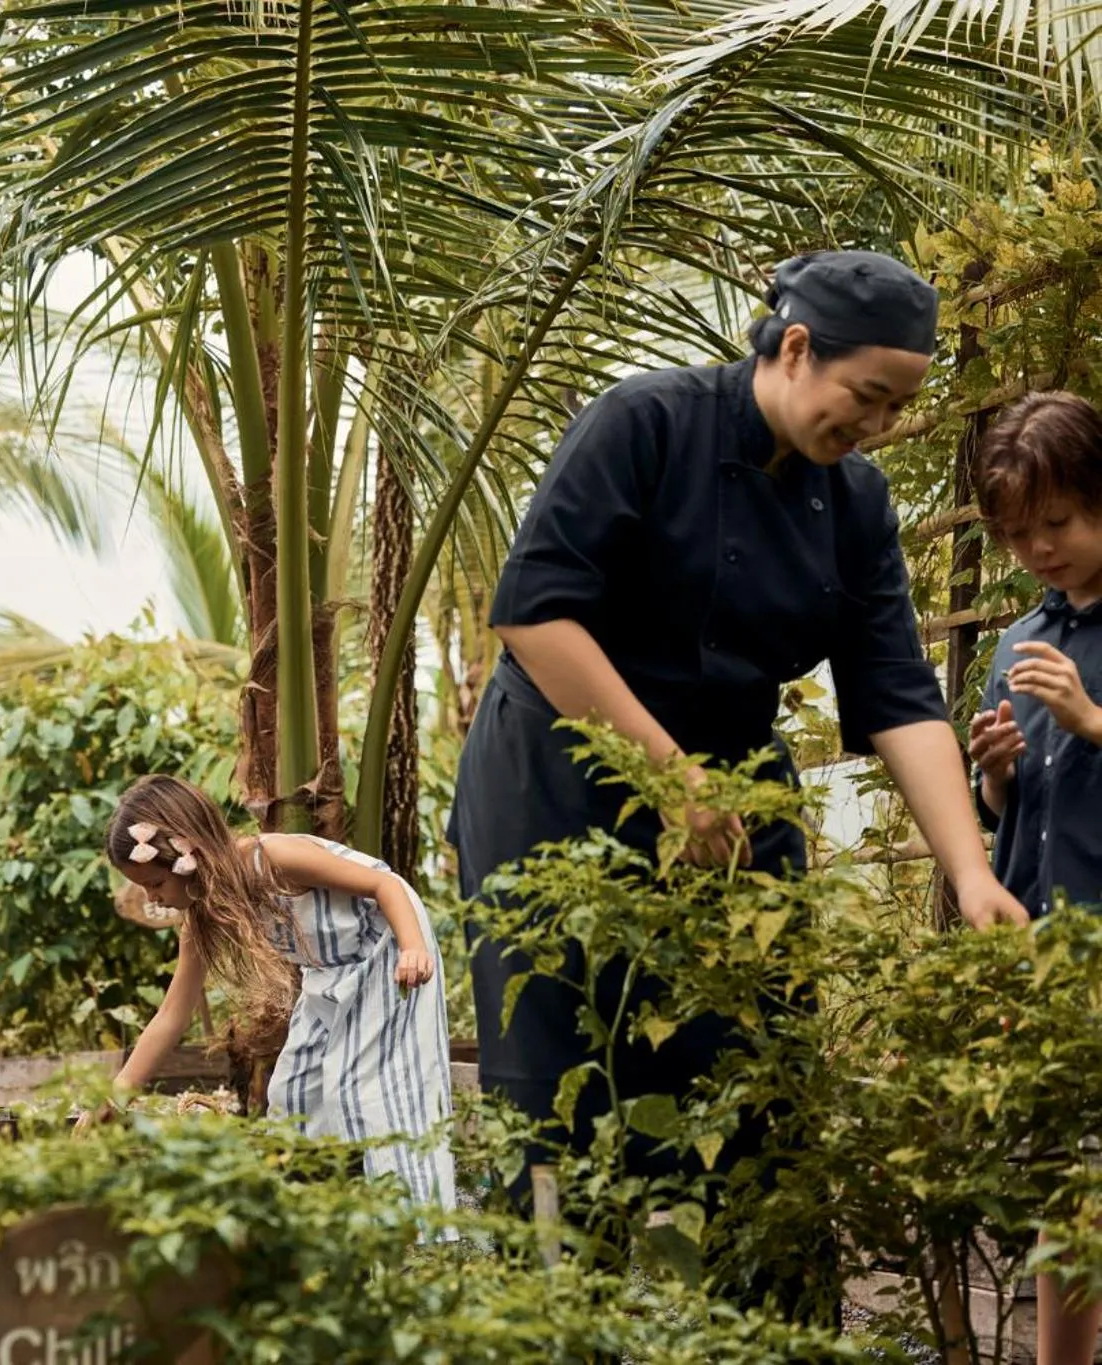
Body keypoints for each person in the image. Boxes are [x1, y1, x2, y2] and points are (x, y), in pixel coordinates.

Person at [446, 250, 1031, 1305]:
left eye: (898, 408)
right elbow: (532, 611)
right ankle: (559, 1320)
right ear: (796, 349)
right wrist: (668, 782)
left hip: (730, 793)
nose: (879, 428)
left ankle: (763, 1327)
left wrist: (969, 870)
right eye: (867, 398)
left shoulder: (851, 502)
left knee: (757, 1084)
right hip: (559, 780)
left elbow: (897, 691)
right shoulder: (642, 423)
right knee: (568, 1086)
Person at [90, 774, 457, 1212]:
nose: (153, 898)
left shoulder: (272, 857)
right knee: (292, 1093)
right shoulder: (199, 919)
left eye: (155, 884)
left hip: (387, 952)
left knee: (367, 1095)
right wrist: (117, 1093)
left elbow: (386, 885)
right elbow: (172, 1014)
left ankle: (414, 1227)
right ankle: (309, 1216)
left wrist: (413, 948)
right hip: (329, 975)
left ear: (188, 856)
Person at [966, 390, 1102, 1365]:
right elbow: (998, 815)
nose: (1037, 551)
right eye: (1017, 536)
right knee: (1062, 1192)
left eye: (1053, 523)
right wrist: (994, 769)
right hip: (1037, 958)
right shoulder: (1017, 642)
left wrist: (1092, 720)